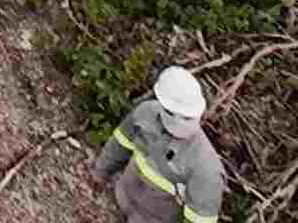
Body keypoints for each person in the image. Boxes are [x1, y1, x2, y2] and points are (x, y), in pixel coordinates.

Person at [89, 66, 224, 223]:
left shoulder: (206, 167)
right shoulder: (145, 113)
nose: (181, 123)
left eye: (187, 118)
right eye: (174, 114)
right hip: (119, 198)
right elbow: (120, 143)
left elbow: (199, 220)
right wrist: (100, 172)